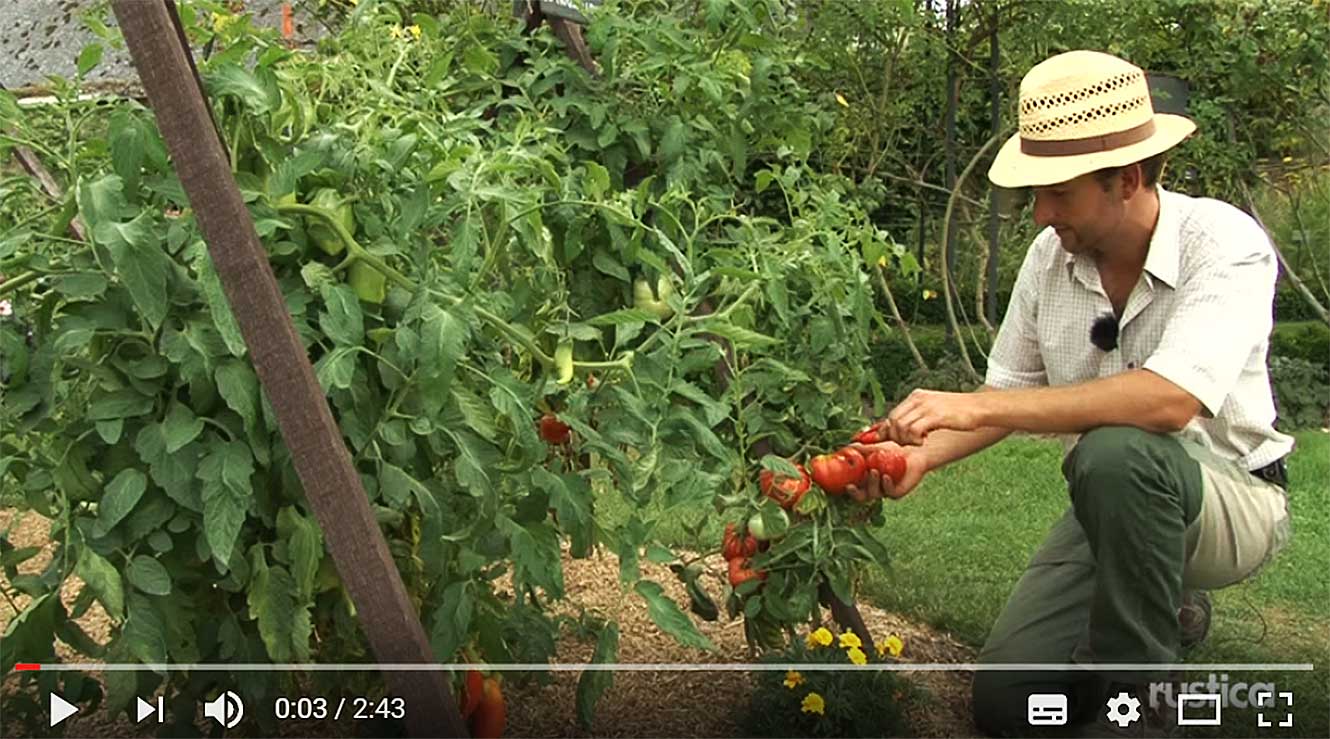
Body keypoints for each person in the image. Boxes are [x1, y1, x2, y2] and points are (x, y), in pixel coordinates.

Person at [850, 50, 1293, 736]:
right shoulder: (1050, 258)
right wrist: (920, 458)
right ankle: (1164, 606)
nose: (1039, 215)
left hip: (1233, 502)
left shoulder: (1224, 242)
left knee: (1116, 453)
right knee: (1008, 706)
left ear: (1127, 178)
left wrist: (978, 404)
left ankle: (1141, 704)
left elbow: (1168, 401)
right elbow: (1010, 391)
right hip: (1115, 500)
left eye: (1059, 192)